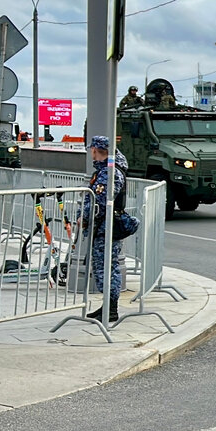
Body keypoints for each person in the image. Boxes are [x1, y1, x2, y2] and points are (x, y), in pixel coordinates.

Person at [83, 136, 127, 323]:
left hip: (105, 227)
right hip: (103, 226)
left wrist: (84, 218)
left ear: (95, 150)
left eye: (92, 149)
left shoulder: (110, 172)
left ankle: (111, 309)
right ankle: (107, 307)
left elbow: (99, 202)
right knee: (105, 267)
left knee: (107, 268)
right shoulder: (106, 171)